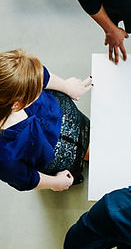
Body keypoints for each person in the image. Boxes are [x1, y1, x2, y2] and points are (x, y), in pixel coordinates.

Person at [0, 49, 91, 191]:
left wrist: (67, 87)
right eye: (36, 91)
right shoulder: (4, 155)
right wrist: (55, 183)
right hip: (55, 153)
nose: (41, 87)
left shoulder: (15, 75)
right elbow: (26, 178)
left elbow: (41, 75)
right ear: (17, 104)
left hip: (60, 113)